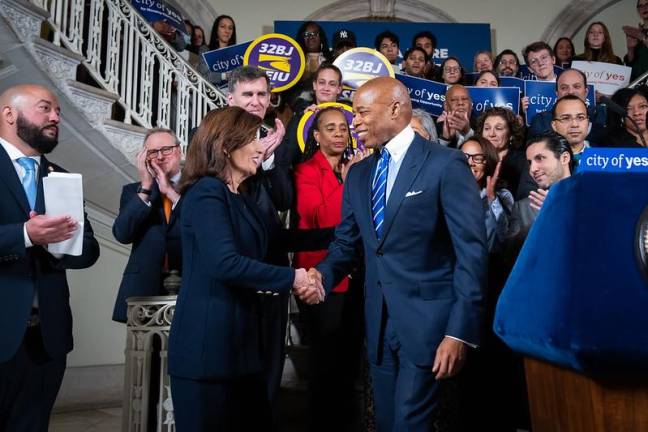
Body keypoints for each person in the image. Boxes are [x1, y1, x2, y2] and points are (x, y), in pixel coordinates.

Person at [309, 77, 488, 432]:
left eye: (361, 112)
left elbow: (471, 253)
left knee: (409, 425)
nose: (353, 123)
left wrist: (459, 332)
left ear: (394, 108)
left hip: (430, 329)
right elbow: (347, 244)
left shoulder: (446, 164)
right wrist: (321, 276)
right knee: (388, 423)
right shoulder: (359, 174)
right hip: (377, 327)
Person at [167, 106, 321, 431]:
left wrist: (346, 234)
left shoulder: (239, 196)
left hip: (242, 349)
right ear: (226, 146)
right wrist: (293, 277)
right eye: (254, 139)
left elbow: (277, 239)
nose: (260, 148)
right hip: (209, 350)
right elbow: (225, 263)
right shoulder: (207, 192)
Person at [0, 84, 100, 430]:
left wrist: (61, 241)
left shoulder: (60, 176)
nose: (56, 117)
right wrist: (26, 235)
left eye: (58, 111)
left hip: (47, 340)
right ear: (9, 114)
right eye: (45, 108)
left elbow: (88, 251)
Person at [293, 107, 370, 431]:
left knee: (351, 362)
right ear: (317, 135)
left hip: (357, 278)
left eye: (343, 128)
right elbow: (317, 218)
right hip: (319, 279)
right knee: (326, 364)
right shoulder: (304, 171)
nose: (339, 133)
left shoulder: (360, 168)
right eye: (331, 128)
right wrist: (350, 179)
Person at [111, 129, 183, 322]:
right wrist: (145, 187)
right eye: (152, 152)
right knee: (143, 351)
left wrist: (173, 195)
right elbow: (122, 234)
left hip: (189, 283)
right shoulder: (133, 192)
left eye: (166, 149)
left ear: (180, 151)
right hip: (144, 288)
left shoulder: (200, 187)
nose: (159, 157)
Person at [461, 136, 514, 252]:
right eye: (464, 157)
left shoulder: (503, 196)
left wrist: (491, 198)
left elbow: (505, 237)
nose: (470, 163)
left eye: (478, 158)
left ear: (488, 162)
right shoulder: (448, 192)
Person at [527, 68, 607, 143]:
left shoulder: (603, 115)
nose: (571, 91)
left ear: (586, 92)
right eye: (564, 88)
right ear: (557, 93)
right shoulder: (541, 121)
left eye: (576, 86)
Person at [475, 106, 528, 198]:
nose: (491, 134)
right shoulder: (474, 159)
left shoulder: (523, 162)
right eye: (487, 128)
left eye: (498, 128)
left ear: (511, 134)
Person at [550, 94, 593, 167]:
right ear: (554, 125)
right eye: (566, 118)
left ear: (588, 123)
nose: (574, 124)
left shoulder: (605, 159)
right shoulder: (541, 159)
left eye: (580, 117)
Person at [623, 0, 648, 80]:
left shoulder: (638, 34)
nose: (644, 8)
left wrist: (642, 37)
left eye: (647, 4)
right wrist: (630, 49)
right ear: (638, 11)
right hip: (639, 84)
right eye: (640, 6)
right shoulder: (636, 33)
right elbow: (632, 65)